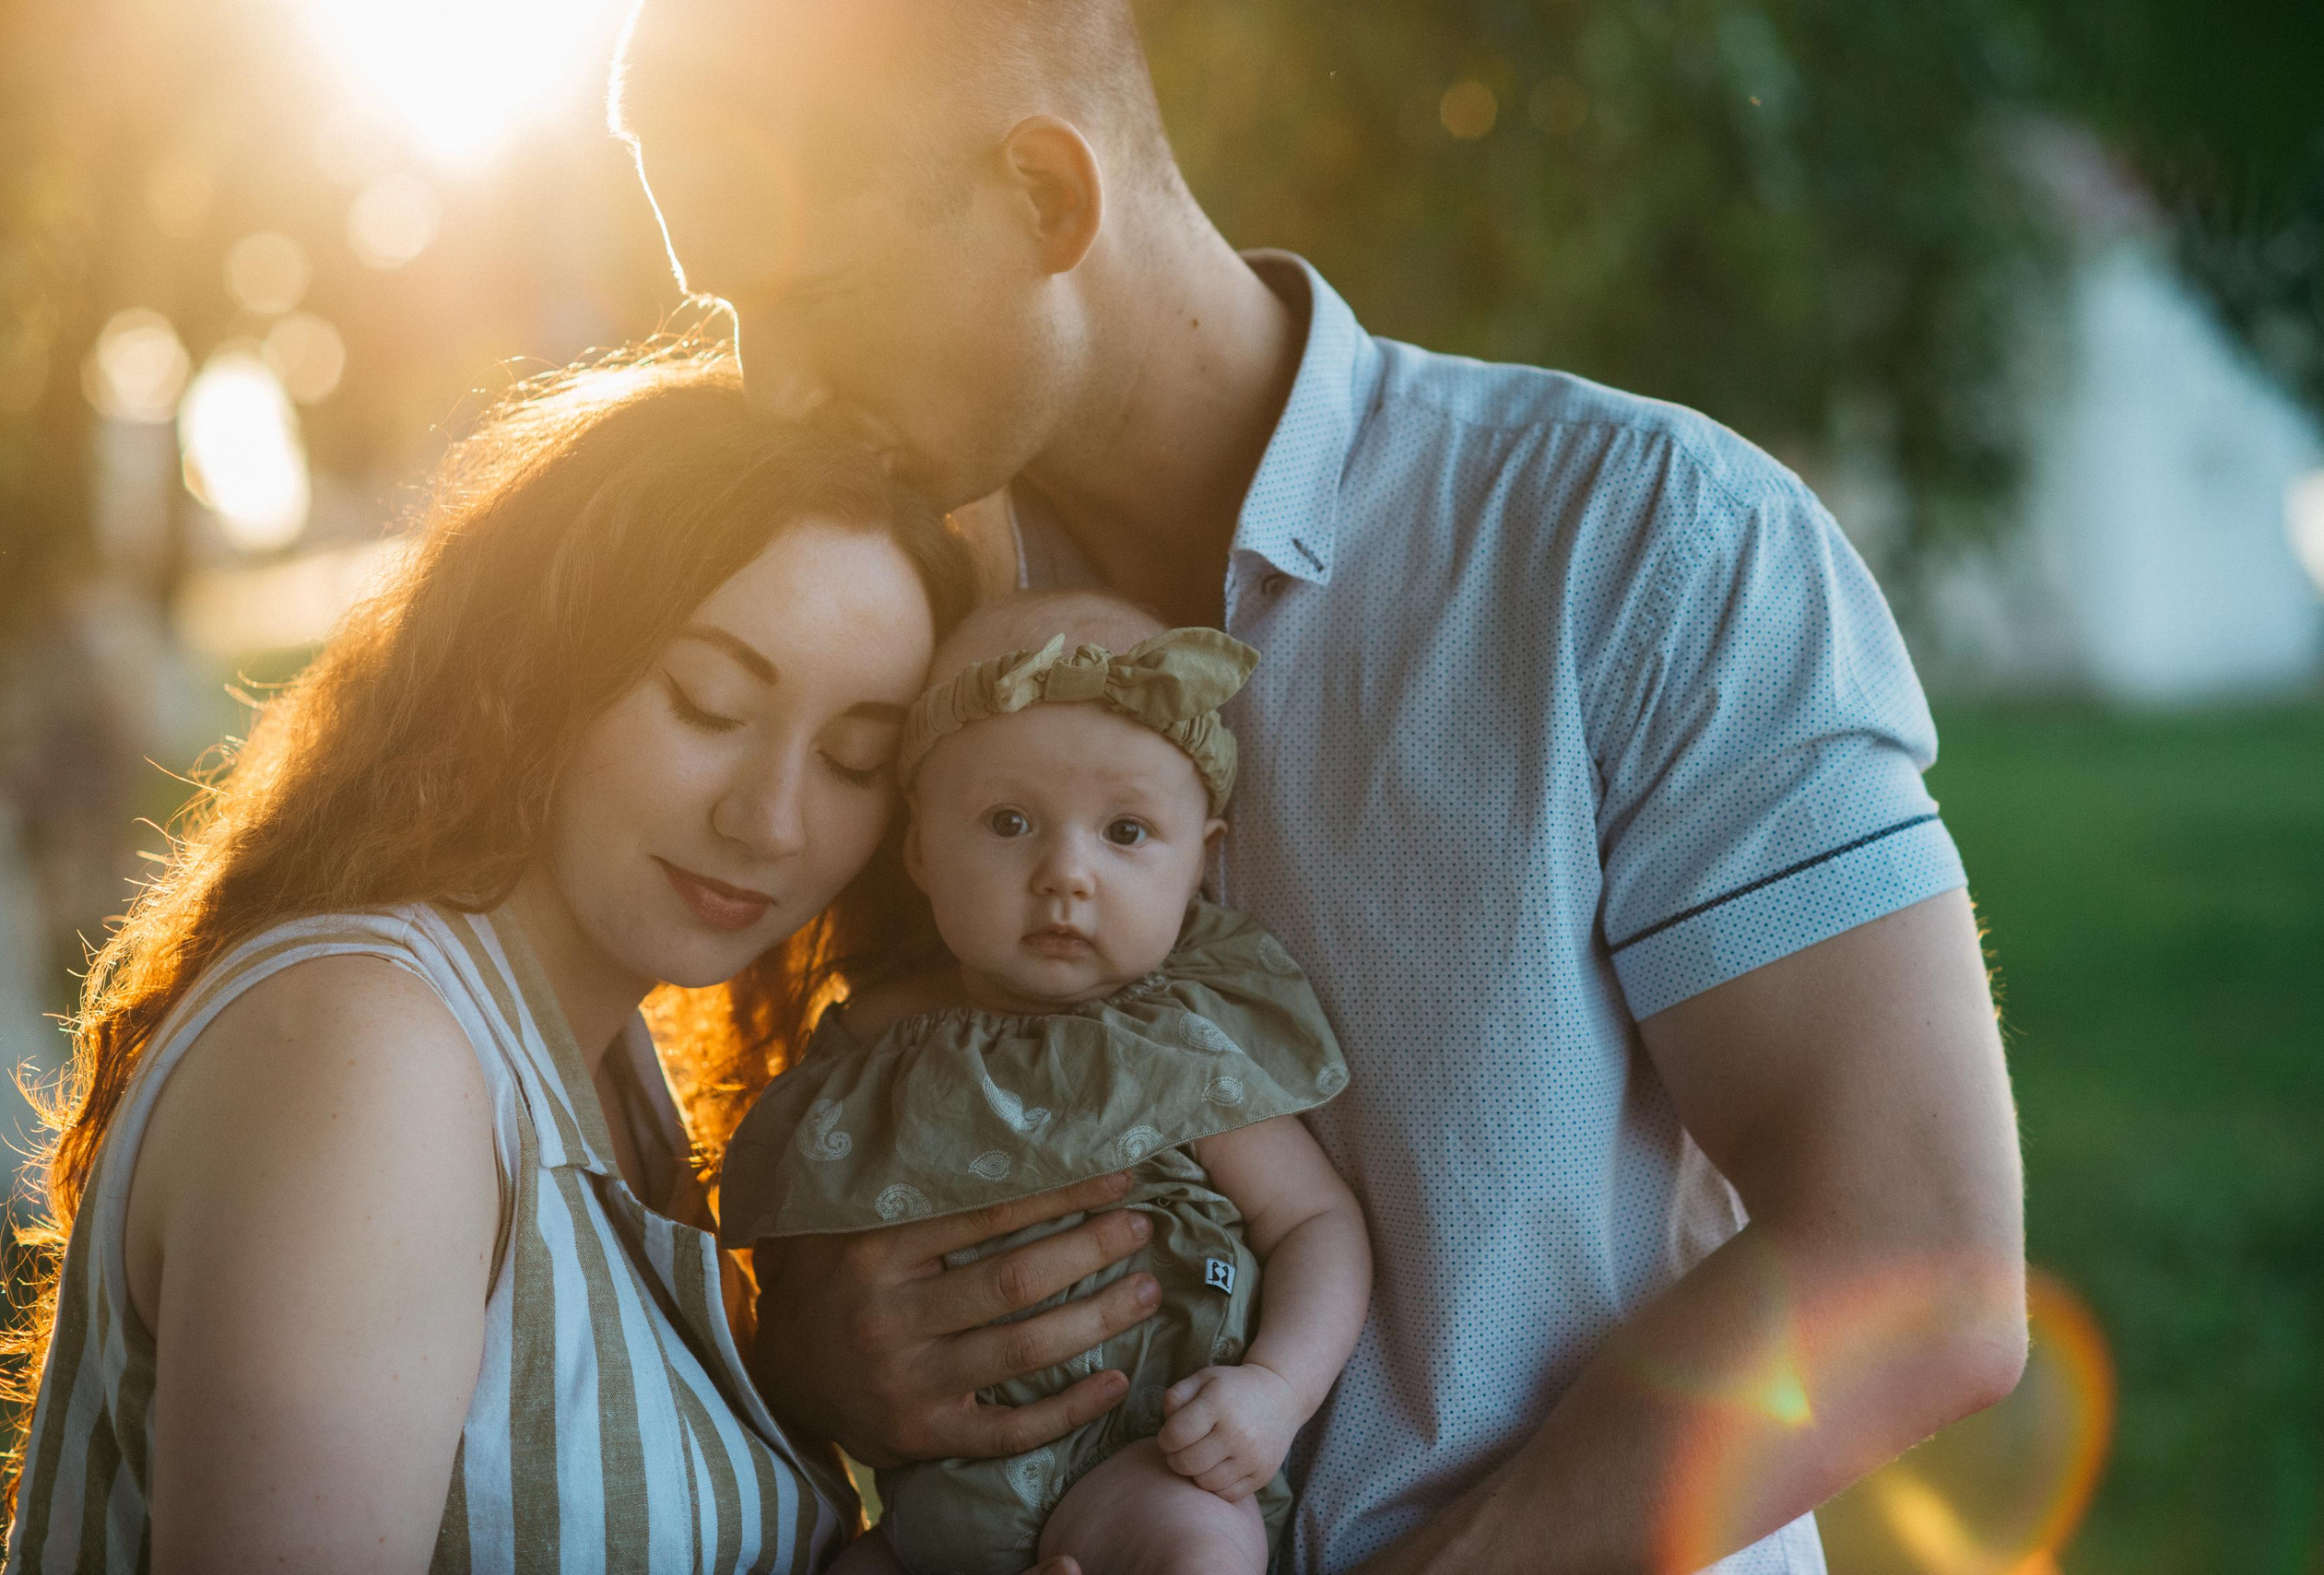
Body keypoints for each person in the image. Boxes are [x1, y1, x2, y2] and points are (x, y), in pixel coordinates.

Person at [608, 5, 2031, 1572]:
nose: (773, 386)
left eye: (807, 298)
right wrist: (819, 1343)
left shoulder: (1648, 548)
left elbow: (1923, 1260)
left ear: (1043, 198)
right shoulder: (890, 635)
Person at [1, 344, 1051, 1572]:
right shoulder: (372, 1054)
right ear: (526, 674)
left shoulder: (622, 1080)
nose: (772, 819)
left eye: (854, 760)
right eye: (709, 704)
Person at [718, 590, 1371, 1575]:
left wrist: (1275, 1389)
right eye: (1010, 819)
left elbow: (1315, 1222)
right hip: (938, 1491)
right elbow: (803, 1250)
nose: (1066, 872)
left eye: (1126, 831)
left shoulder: (1177, 1038)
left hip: (1149, 1457)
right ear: (919, 849)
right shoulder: (865, 1046)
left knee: (1200, 1555)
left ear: (1201, 861)